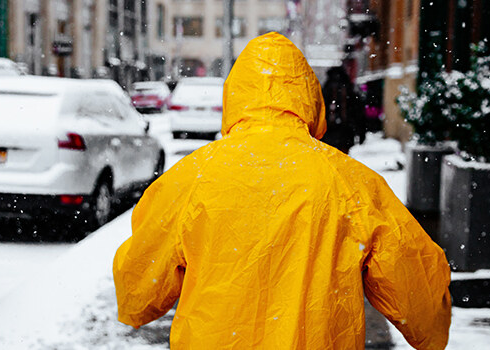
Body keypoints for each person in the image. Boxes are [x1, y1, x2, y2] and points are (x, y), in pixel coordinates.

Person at [113, 32, 451, 349]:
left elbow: (137, 295)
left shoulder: (190, 179)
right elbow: (421, 300)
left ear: (235, 96)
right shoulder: (351, 182)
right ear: (309, 98)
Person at [320, 66, 366, 153]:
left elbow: (319, 111)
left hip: (328, 133)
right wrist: (360, 133)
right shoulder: (349, 89)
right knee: (343, 158)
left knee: (330, 158)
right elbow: (358, 113)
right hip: (345, 133)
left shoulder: (326, 89)